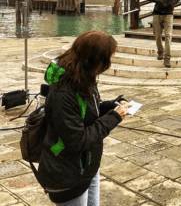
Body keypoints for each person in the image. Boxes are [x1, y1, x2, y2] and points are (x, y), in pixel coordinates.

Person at [37, 31, 129, 205]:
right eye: (108, 58)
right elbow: (78, 140)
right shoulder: (64, 92)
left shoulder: (83, 77)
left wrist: (111, 106)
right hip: (67, 174)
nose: (109, 63)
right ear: (96, 60)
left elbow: (87, 112)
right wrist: (114, 117)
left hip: (87, 166)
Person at [146, 0, 181, 68]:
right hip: (157, 13)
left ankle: (167, 59)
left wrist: (173, 3)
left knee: (168, 36)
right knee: (157, 36)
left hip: (169, 13)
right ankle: (160, 52)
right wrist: (158, 0)